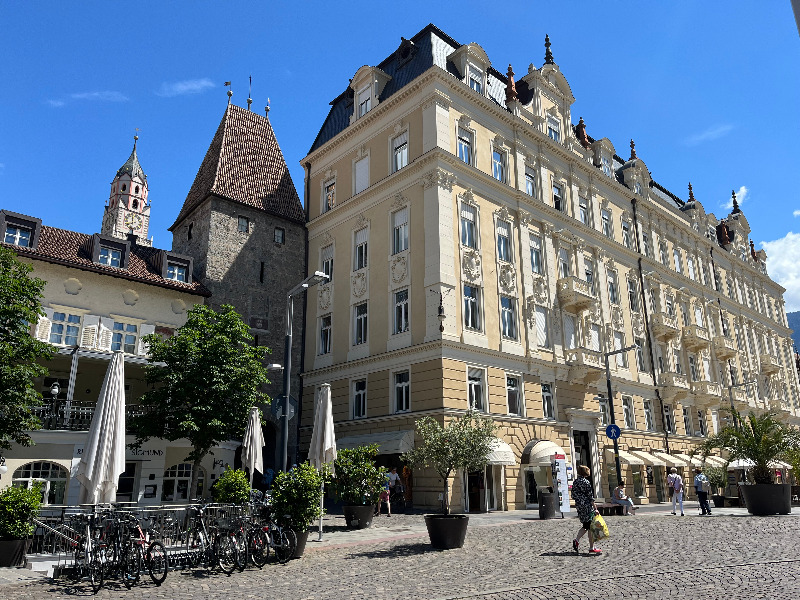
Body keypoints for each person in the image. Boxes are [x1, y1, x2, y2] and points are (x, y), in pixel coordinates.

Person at [571, 465, 602, 555]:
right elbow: (590, 497)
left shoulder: (575, 482)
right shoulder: (586, 482)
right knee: (589, 526)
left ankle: (589, 545)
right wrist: (595, 508)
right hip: (587, 506)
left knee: (587, 525)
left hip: (579, 506)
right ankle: (583, 543)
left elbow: (573, 495)